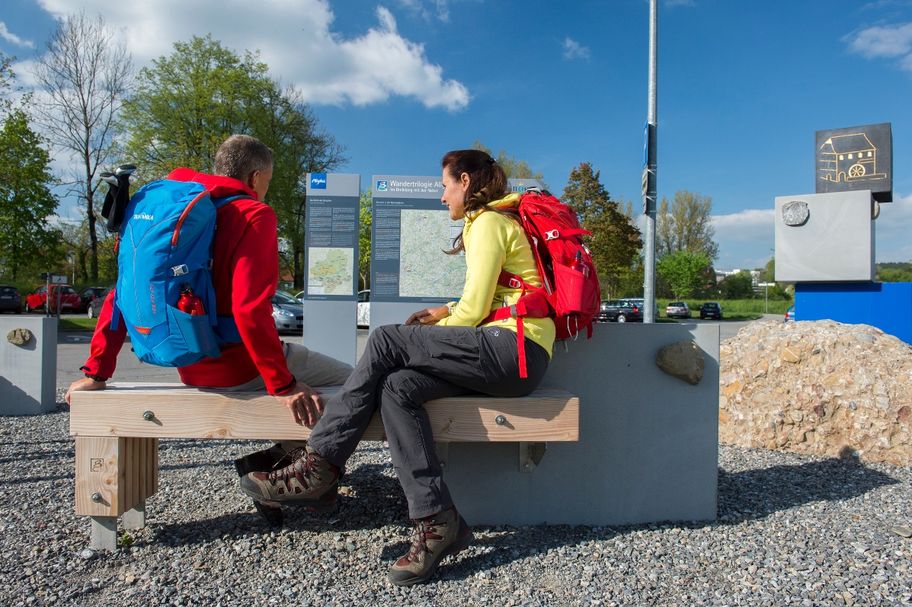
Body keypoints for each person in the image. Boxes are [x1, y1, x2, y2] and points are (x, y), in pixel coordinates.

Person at [239, 149, 556, 586]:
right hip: (511, 353)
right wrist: (440, 314)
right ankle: (436, 519)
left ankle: (319, 463)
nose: (443, 197)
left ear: (465, 181)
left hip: (512, 350)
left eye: (445, 186)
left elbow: (476, 310)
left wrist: (444, 320)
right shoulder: (493, 223)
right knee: (399, 386)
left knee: (387, 338)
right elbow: (493, 301)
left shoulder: (488, 223)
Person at [65, 134, 352, 458]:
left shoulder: (178, 213)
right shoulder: (254, 214)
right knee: (357, 383)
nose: (265, 189)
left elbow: (122, 294)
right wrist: (283, 385)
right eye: (267, 181)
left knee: (313, 394)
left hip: (190, 364)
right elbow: (249, 310)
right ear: (255, 177)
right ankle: (285, 478)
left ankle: (281, 465)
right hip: (239, 368)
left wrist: (96, 373)